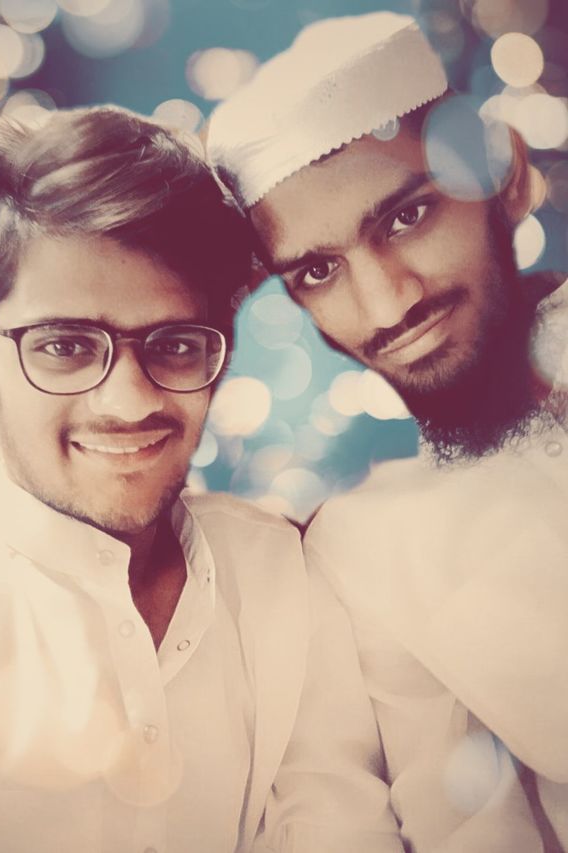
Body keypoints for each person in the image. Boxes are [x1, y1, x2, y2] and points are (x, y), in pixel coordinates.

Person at [0, 105, 403, 853]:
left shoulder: (278, 570)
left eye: (176, 344)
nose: (128, 403)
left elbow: (339, 823)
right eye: (64, 345)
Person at [207, 12, 568, 852]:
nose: (387, 304)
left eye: (407, 217)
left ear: (505, 175)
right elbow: (469, 823)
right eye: (318, 270)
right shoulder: (364, 550)